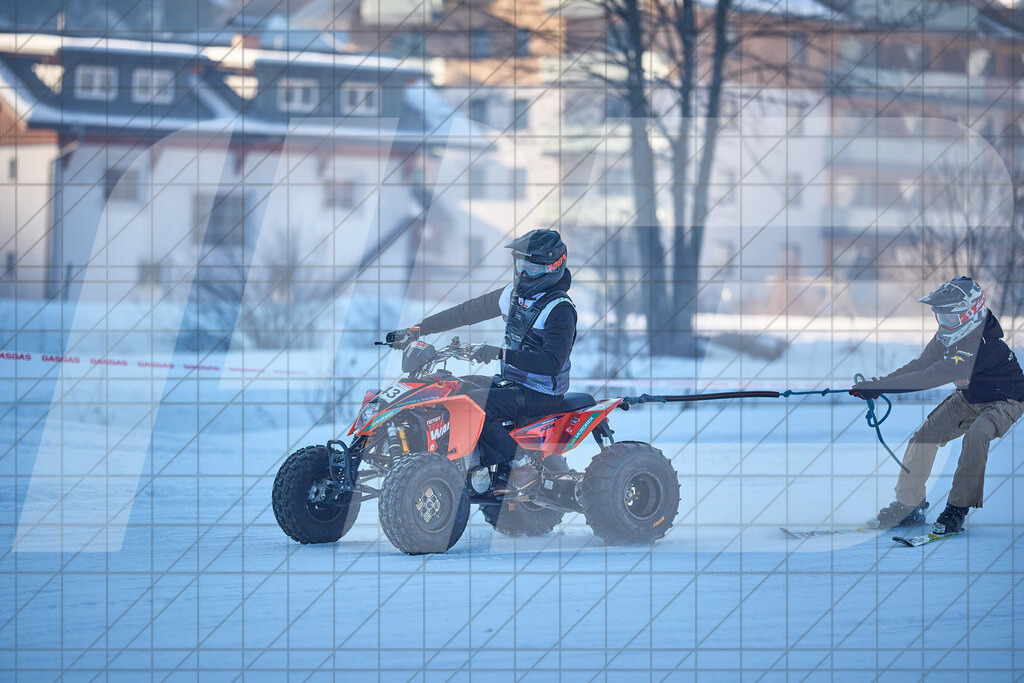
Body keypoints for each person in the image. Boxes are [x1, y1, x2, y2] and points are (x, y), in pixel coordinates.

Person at [388, 228, 577, 493]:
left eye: (532, 268)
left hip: (541, 391)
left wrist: (501, 354)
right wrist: (419, 329)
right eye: (521, 264)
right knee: (453, 390)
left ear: (552, 267)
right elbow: (466, 312)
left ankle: (521, 466)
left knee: (476, 404)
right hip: (512, 382)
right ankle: (468, 463)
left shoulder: (559, 309)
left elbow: (551, 362)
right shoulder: (512, 294)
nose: (524, 273)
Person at [850, 276, 1024, 535]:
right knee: (924, 437)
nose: (945, 324)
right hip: (970, 396)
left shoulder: (982, 345)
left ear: (971, 314)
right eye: (941, 317)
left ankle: (957, 509)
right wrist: (879, 383)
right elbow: (922, 365)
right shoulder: (948, 335)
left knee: (977, 435)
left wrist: (882, 388)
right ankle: (908, 506)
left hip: (1005, 401)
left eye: (950, 318)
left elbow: (932, 376)